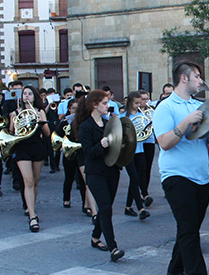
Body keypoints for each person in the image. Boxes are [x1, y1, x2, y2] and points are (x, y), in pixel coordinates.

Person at [154, 60, 209, 275]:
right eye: (197, 77)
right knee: (190, 231)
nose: (200, 81)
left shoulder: (199, 105)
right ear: (185, 78)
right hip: (176, 176)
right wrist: (186, 122)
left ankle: (175, 267)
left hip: (201, 177)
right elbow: (164, 143)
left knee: (189, 227)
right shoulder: (165, 107)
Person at [74, 90, 124, 260]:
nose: (107, 106)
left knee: (105, 207)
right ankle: (113, 248)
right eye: (104, 103)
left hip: (111, 171)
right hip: (95, 173)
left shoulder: (108, 122)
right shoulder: (85, 126)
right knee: (105, 208)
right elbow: (88, 152)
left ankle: (95, 238)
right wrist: (101, 145)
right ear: (94, 105)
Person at [8, 86, 50, 232]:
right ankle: (32, 215)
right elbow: (12, 132)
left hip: (37, 147)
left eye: (30, 94)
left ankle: (31, 205)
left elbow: (46, 133)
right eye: (24, 94)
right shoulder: (15, 113)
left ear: (34, 97)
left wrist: (40, 121)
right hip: (22, 147)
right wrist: (14, 120)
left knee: (35, 181)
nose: (27, 96)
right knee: (28, 181)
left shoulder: (40, 111)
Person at [120, 91, 150, 220]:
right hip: (127, 152)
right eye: (136, 103)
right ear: (130, 103)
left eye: (140, 103)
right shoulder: (122, 117)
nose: (139, 105)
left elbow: (146, 132)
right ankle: (141, 208)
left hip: (140, 150)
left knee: (136, 179)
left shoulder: (142, 115)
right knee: (134, 177)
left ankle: (128, 207)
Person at [56, 98, 87, 211]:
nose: (75, 110)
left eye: (78, 108)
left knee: (82, 179)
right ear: (69, 109)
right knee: (69, 177)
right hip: (68, 152)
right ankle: (66, 198)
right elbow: (58, 136)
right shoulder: (64, 122)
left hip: (80, 151)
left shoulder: (83, 122)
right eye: (73, 108)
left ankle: (85, 203)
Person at [138, 89, 155, 206]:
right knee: (141, 168)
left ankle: (144, 190)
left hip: (150, 141)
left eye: (146, 99)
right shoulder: (135, 113)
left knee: (147, 167)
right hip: (139, 143)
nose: (145, 102)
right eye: (142, 99)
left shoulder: (151, 111)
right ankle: (144, 193)